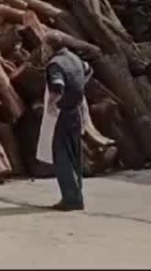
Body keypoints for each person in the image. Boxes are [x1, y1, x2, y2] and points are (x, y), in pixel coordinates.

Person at [44, 43, 92, 211]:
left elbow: (58, 87)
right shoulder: (74, 58)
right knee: (74, 153)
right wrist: (79, 88)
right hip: (77, 110)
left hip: (65, 112)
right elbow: (88, 70)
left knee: (62, 153)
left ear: (48, 47)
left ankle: (70, 199)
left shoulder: (56, 64)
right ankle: (77, 195)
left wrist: (51, 104)